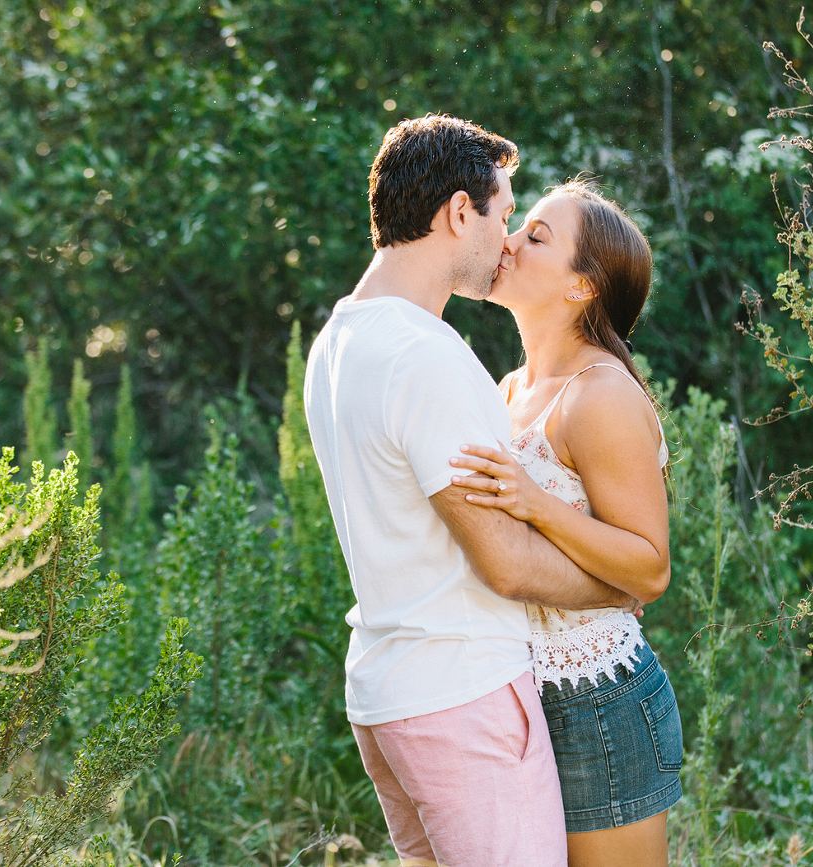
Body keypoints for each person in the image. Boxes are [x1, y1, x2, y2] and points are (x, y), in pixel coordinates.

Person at [304, 115, 637, 867]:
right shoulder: (424, 355)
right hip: (460, 697)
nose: (508, 238)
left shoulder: (337, 342)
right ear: (460, 212)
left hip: (386, 697)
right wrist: (613, 589)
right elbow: (508, 563)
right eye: (503, 213)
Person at [448, 180, 683, 867]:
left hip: (597, 702)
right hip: (514, 694)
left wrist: (533, 502)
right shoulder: (510, 389)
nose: (509, 239)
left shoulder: (599, 394)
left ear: (582, 288)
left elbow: (650, 566)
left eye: (536, 236)